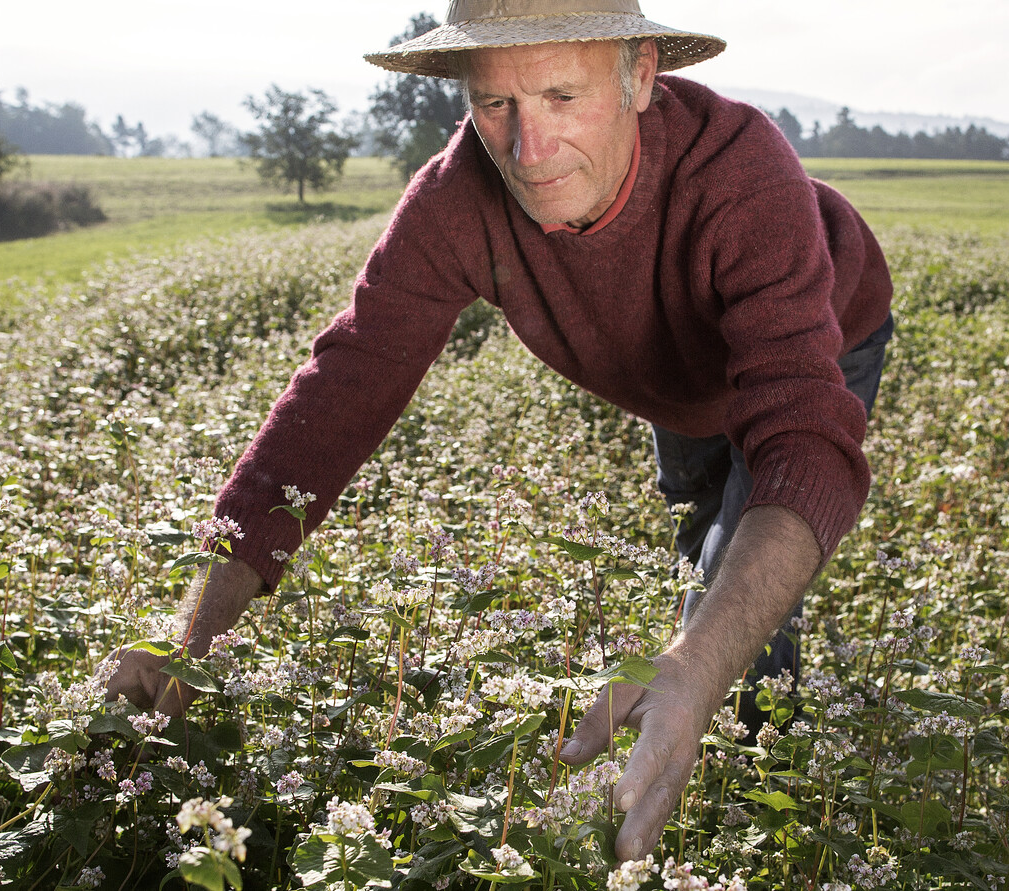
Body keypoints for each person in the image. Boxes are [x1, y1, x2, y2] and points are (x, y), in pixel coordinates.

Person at [106, 0, 893, 862]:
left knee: (732, 572)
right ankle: (702, 684)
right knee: (700, 529)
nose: (529, 149)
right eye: (495, 106)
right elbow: (345, 384)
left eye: (561, 95)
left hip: (823, 336)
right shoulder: (456, 201)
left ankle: (753, 785)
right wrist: (188, 638)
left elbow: (804, 440)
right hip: (673, 379)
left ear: (641, 75)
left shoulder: (741, 174)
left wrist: (699, 665)